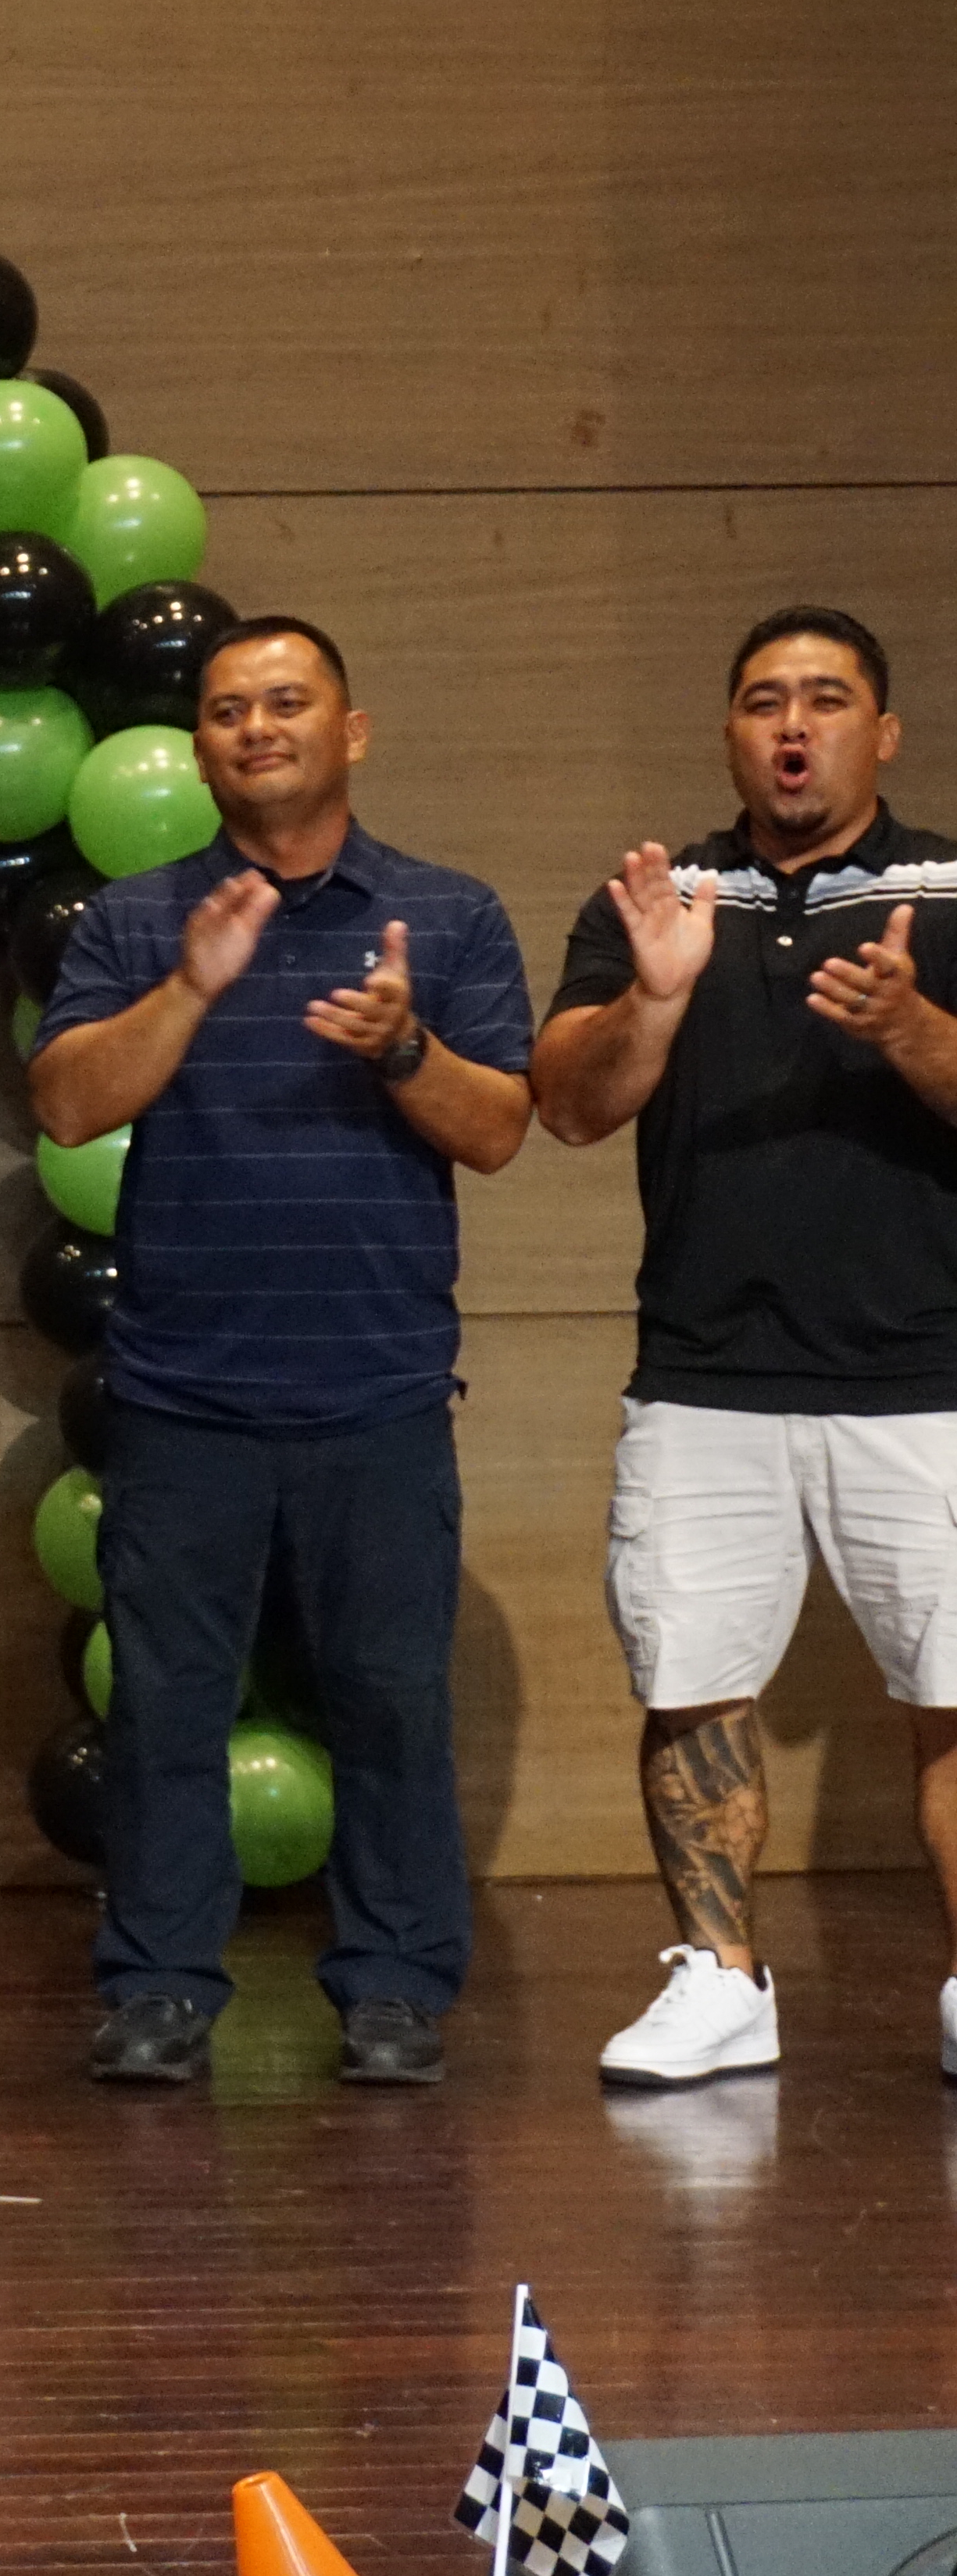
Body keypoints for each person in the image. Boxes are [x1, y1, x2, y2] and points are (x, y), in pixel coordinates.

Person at [32, 617, 533, 2090]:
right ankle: (161, 1985)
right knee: (167, 1710)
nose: (256, 727)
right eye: (228, 709)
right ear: (199, 745)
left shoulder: (445, 918)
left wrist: (401, 1049)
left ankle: (391, 1985)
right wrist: (190, 986)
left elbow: (499, 1129)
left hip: (377, 1387)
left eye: (287, 702)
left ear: (352, 731)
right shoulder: (135, 920)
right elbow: (65, 1106)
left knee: (387, 1700)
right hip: (184, 1392)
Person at [531, 607, 957, 2089]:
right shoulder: (659, 892)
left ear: (881, 733)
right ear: (730, 732)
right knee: (694, 1685)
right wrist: (655, 993)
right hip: (705, 1373)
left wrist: (912, 1030)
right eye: (766, 700)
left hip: (930, 1378)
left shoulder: (949, 885)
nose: (795, 725)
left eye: (828, 699)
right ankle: (721, 1984)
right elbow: (571, 1108)